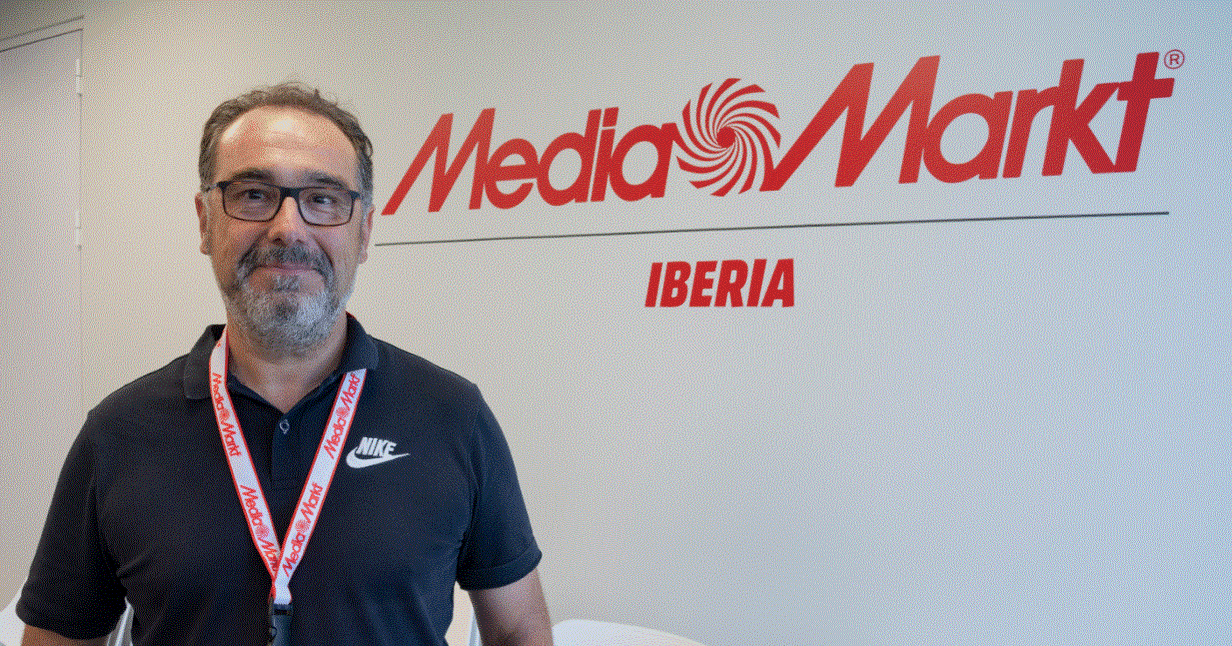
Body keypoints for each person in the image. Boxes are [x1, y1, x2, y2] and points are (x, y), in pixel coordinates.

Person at [16, 83, 551, 646]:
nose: (288, 227)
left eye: (323, 199)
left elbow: (520, 631)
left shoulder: (453, 416)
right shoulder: (118, 433)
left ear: (365, 232)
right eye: (253, 194)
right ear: (205, 222)